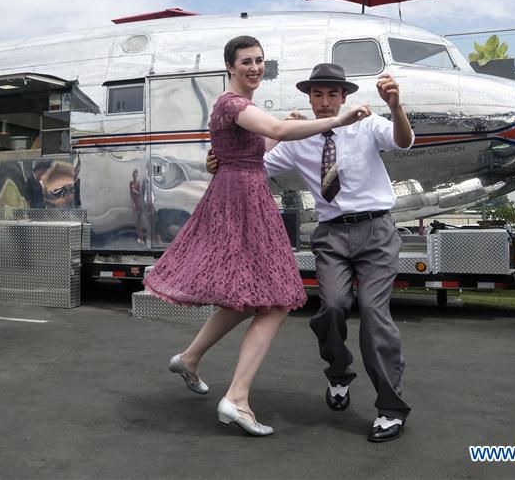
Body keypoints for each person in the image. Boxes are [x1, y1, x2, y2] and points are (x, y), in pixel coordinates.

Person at [143, 37, 370, 437]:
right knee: (277, 300)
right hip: (242, 198)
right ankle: (237, 398)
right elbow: (277, 128)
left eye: (260, 60)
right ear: (230, 66)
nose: (255, 67)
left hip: (241, 191)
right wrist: (337, 119)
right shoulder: (234, 104)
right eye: (246, 61)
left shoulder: (235, 106)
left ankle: (192, 358)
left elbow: (258, 148)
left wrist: (282, 133)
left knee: (249, 295)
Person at [208, 62, 415, 442]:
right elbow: (252, 164)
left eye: (332, 95)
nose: (324, 102)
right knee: (333, 306)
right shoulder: (299, 138)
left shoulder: (366, 124)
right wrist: (217, 160)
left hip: (377, 231)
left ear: (344, 97)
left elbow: (403, 141)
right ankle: (339, 373)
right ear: (309, 97)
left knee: (373, 312)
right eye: (317, 94)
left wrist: (396, 107)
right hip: (331, 235)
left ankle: (391, 408)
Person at [129, 169, 144, 242]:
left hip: (138, 202)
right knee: (136, 221)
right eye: (134, 173)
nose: (135, 175)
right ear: (133, 174)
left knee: (140, 221)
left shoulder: (138, 182)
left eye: (136, 174)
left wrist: (139, 202)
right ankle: (139, 237)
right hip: (134, 202)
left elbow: (139, 192)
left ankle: (141, 237)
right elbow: (131, 194)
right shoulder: (131, 182)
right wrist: (133, 204)